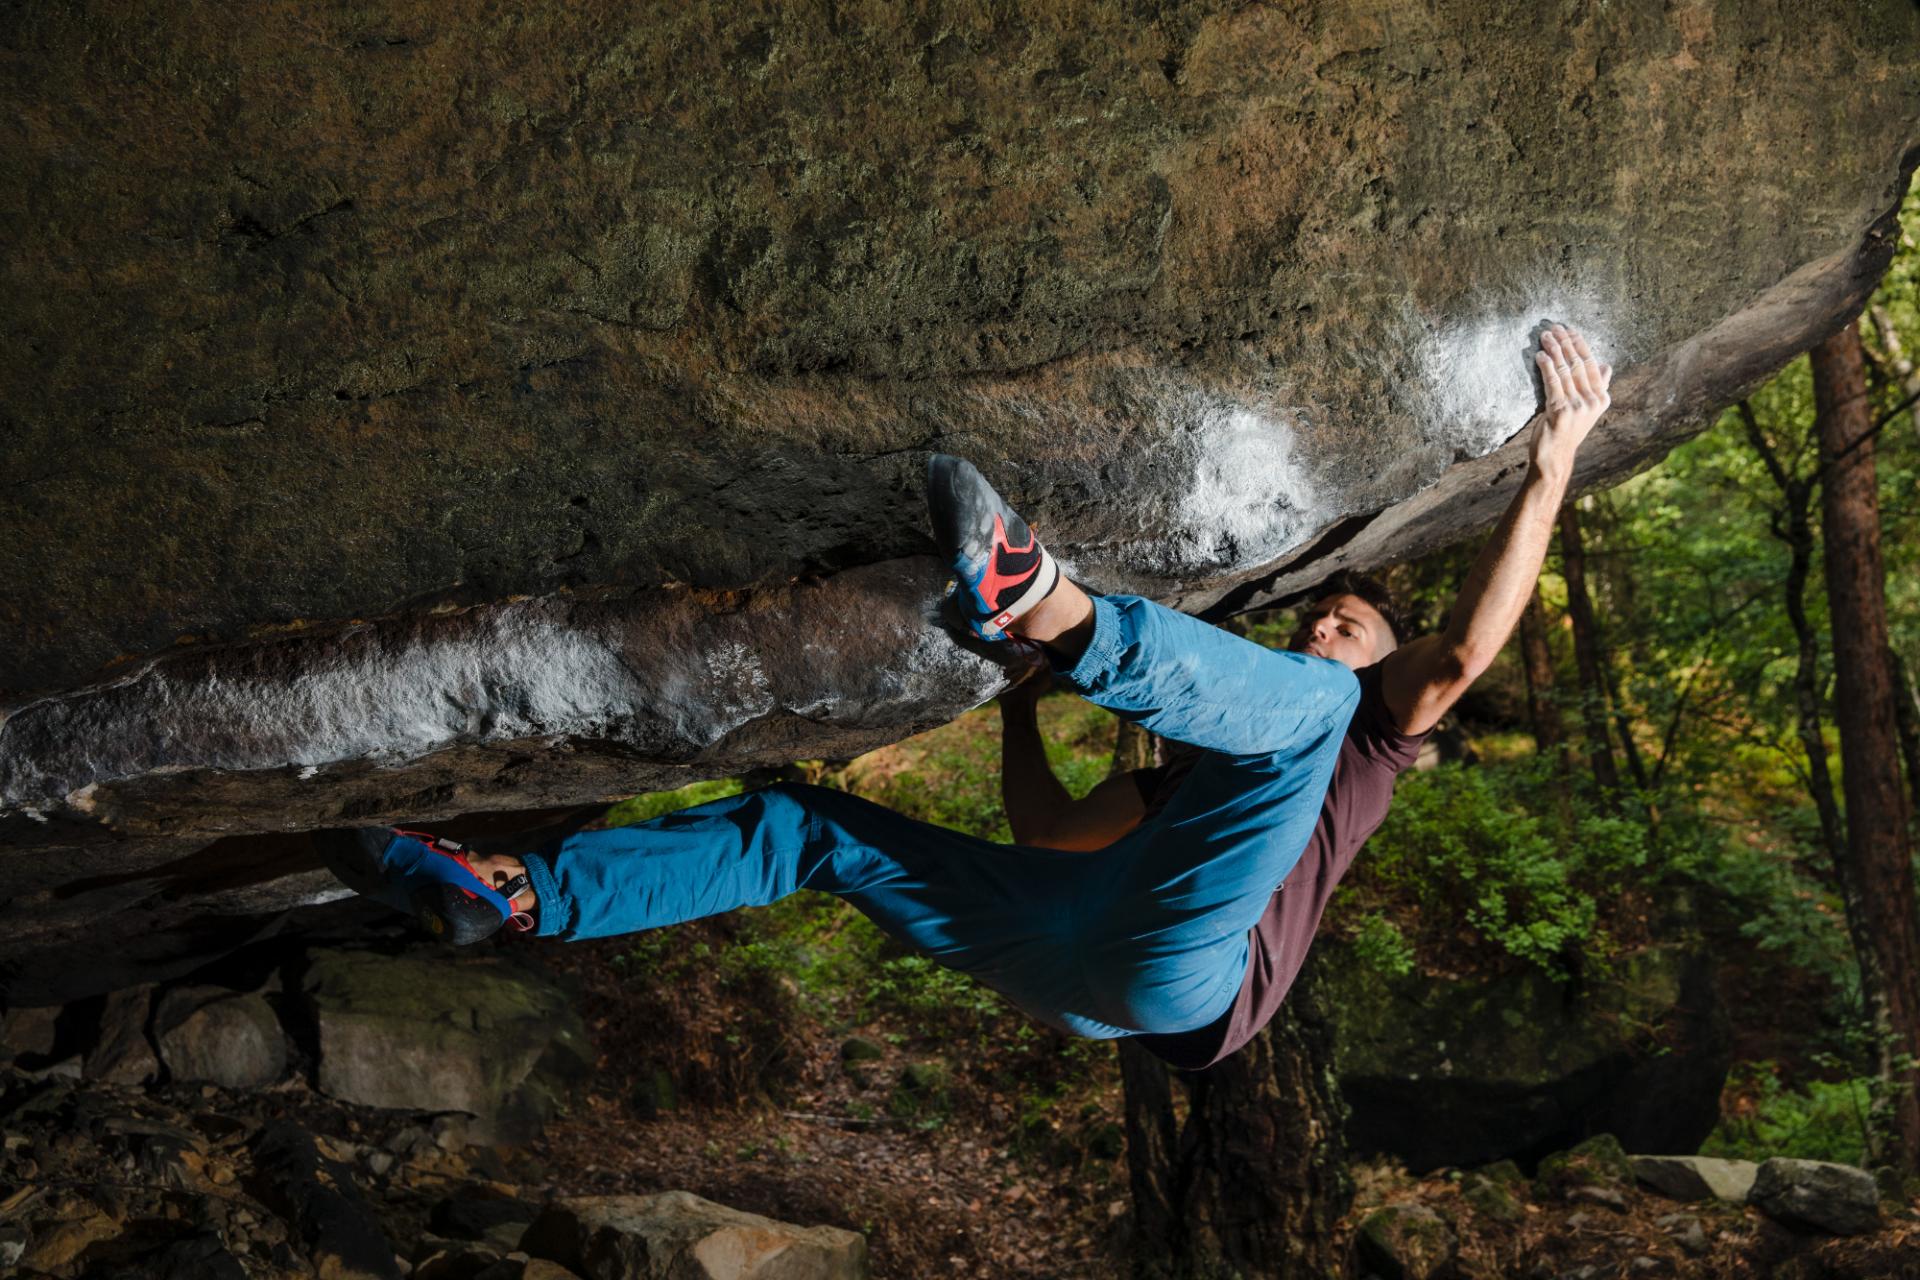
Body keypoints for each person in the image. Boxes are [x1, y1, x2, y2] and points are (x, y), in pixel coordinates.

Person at [320, 324, 1613, 1062]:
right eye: (1328, 608)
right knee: (812, 832)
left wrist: (1553, 463)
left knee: (1307, 712)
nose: (1337, 616)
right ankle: (531, 897)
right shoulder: (1182, 777)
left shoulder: (1364, 735)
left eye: (1356, 618)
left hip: (1190, 987)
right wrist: (1010, 718)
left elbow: (1460, 659)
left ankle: (1045, 607)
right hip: (1076, 961)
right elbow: (1052, 843)